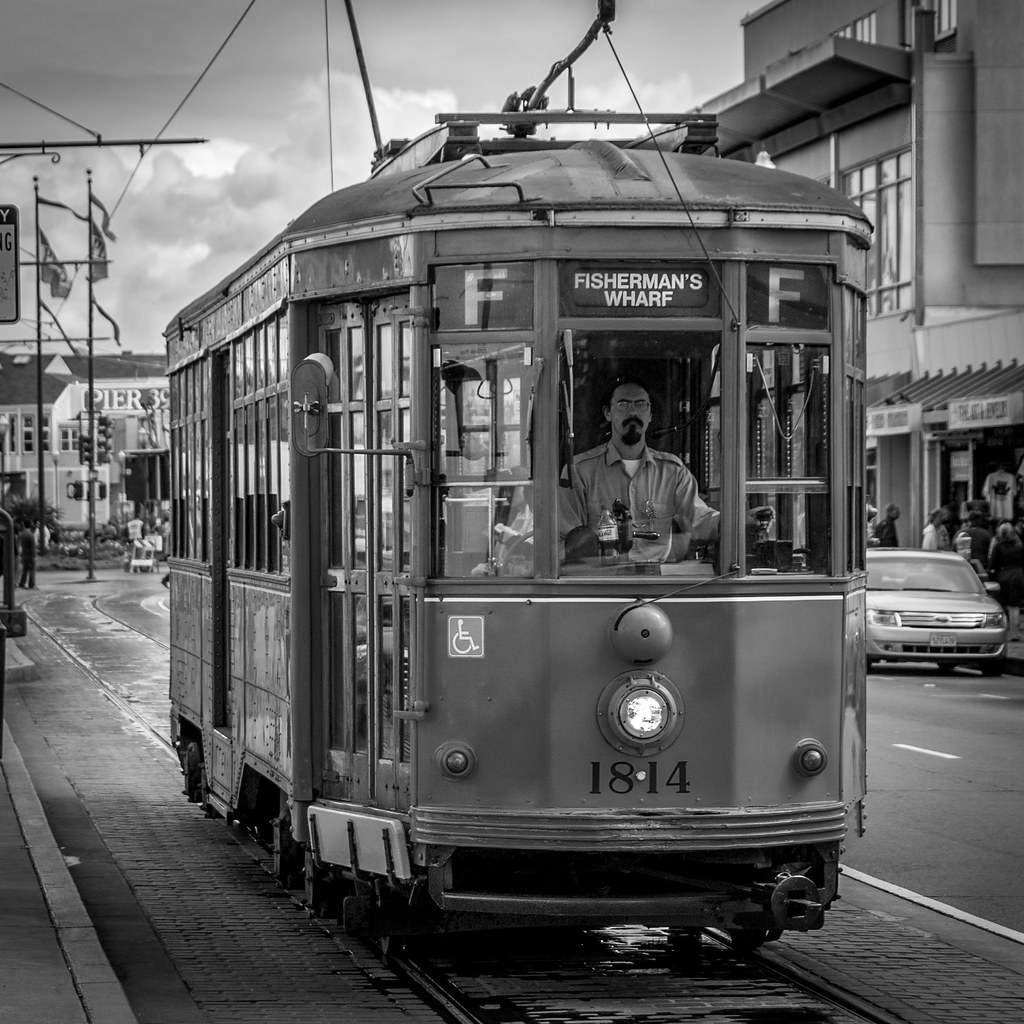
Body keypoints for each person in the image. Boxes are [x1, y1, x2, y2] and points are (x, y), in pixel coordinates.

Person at [559, 379, 717, 564]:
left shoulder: (673, 472)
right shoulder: (579, 472)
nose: (632, 411)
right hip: (601, 582)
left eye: (641, 404)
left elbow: (698, 522)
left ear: (650, 415)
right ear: (607, 412)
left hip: (658, 585)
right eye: (623, 404)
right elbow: (568, 542)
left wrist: (737, 520)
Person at [988, 521, 1023, 640]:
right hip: (1018, 575)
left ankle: (1004, 631)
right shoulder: (1020, 546)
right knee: (1015, 605)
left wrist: (992, 575)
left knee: (1003, 604)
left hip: (1003, 575)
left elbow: (993, 564)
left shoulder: (998, 546)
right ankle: (1015, 633)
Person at [17, 520, 37, 589]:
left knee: (25, 570)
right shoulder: (31, 535)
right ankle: (31, 585)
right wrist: (34, 555)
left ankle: (22, 583)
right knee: (32, 570)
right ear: (30, 525)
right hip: (30, 555)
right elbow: (33, 547)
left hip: (24, 555)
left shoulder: (22, 534)